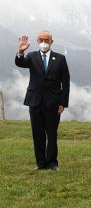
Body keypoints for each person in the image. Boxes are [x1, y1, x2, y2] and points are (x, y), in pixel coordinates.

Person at [14, 31, 70, 171]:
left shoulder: (60, 58)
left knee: (51, 134)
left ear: (51, 41)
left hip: (53, 103)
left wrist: (63, 102)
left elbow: (66, 81)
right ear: (37, 40)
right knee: (37, 135)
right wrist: (20, 51)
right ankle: (41, 164)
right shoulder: (31, 56)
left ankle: (52, 163)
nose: (44, 41)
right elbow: (20, 63)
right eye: (41, 39)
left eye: (47, 39)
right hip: (35, 101)